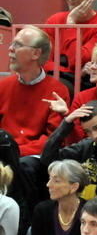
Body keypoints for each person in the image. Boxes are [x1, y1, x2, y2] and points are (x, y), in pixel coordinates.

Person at [39, 100, 97, 203]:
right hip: (83, 211)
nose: (94, 136)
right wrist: (67, 123)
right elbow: (47, 158)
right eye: (88, 131)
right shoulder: (86, 146)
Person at [0, 26, 68, 156]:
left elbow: (53, 139)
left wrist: (15, 152)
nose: (10, 49)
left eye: (18, 45)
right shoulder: (3, 86)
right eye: (12, 43)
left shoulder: (57, 90)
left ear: (36, 54)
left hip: (33, 158)